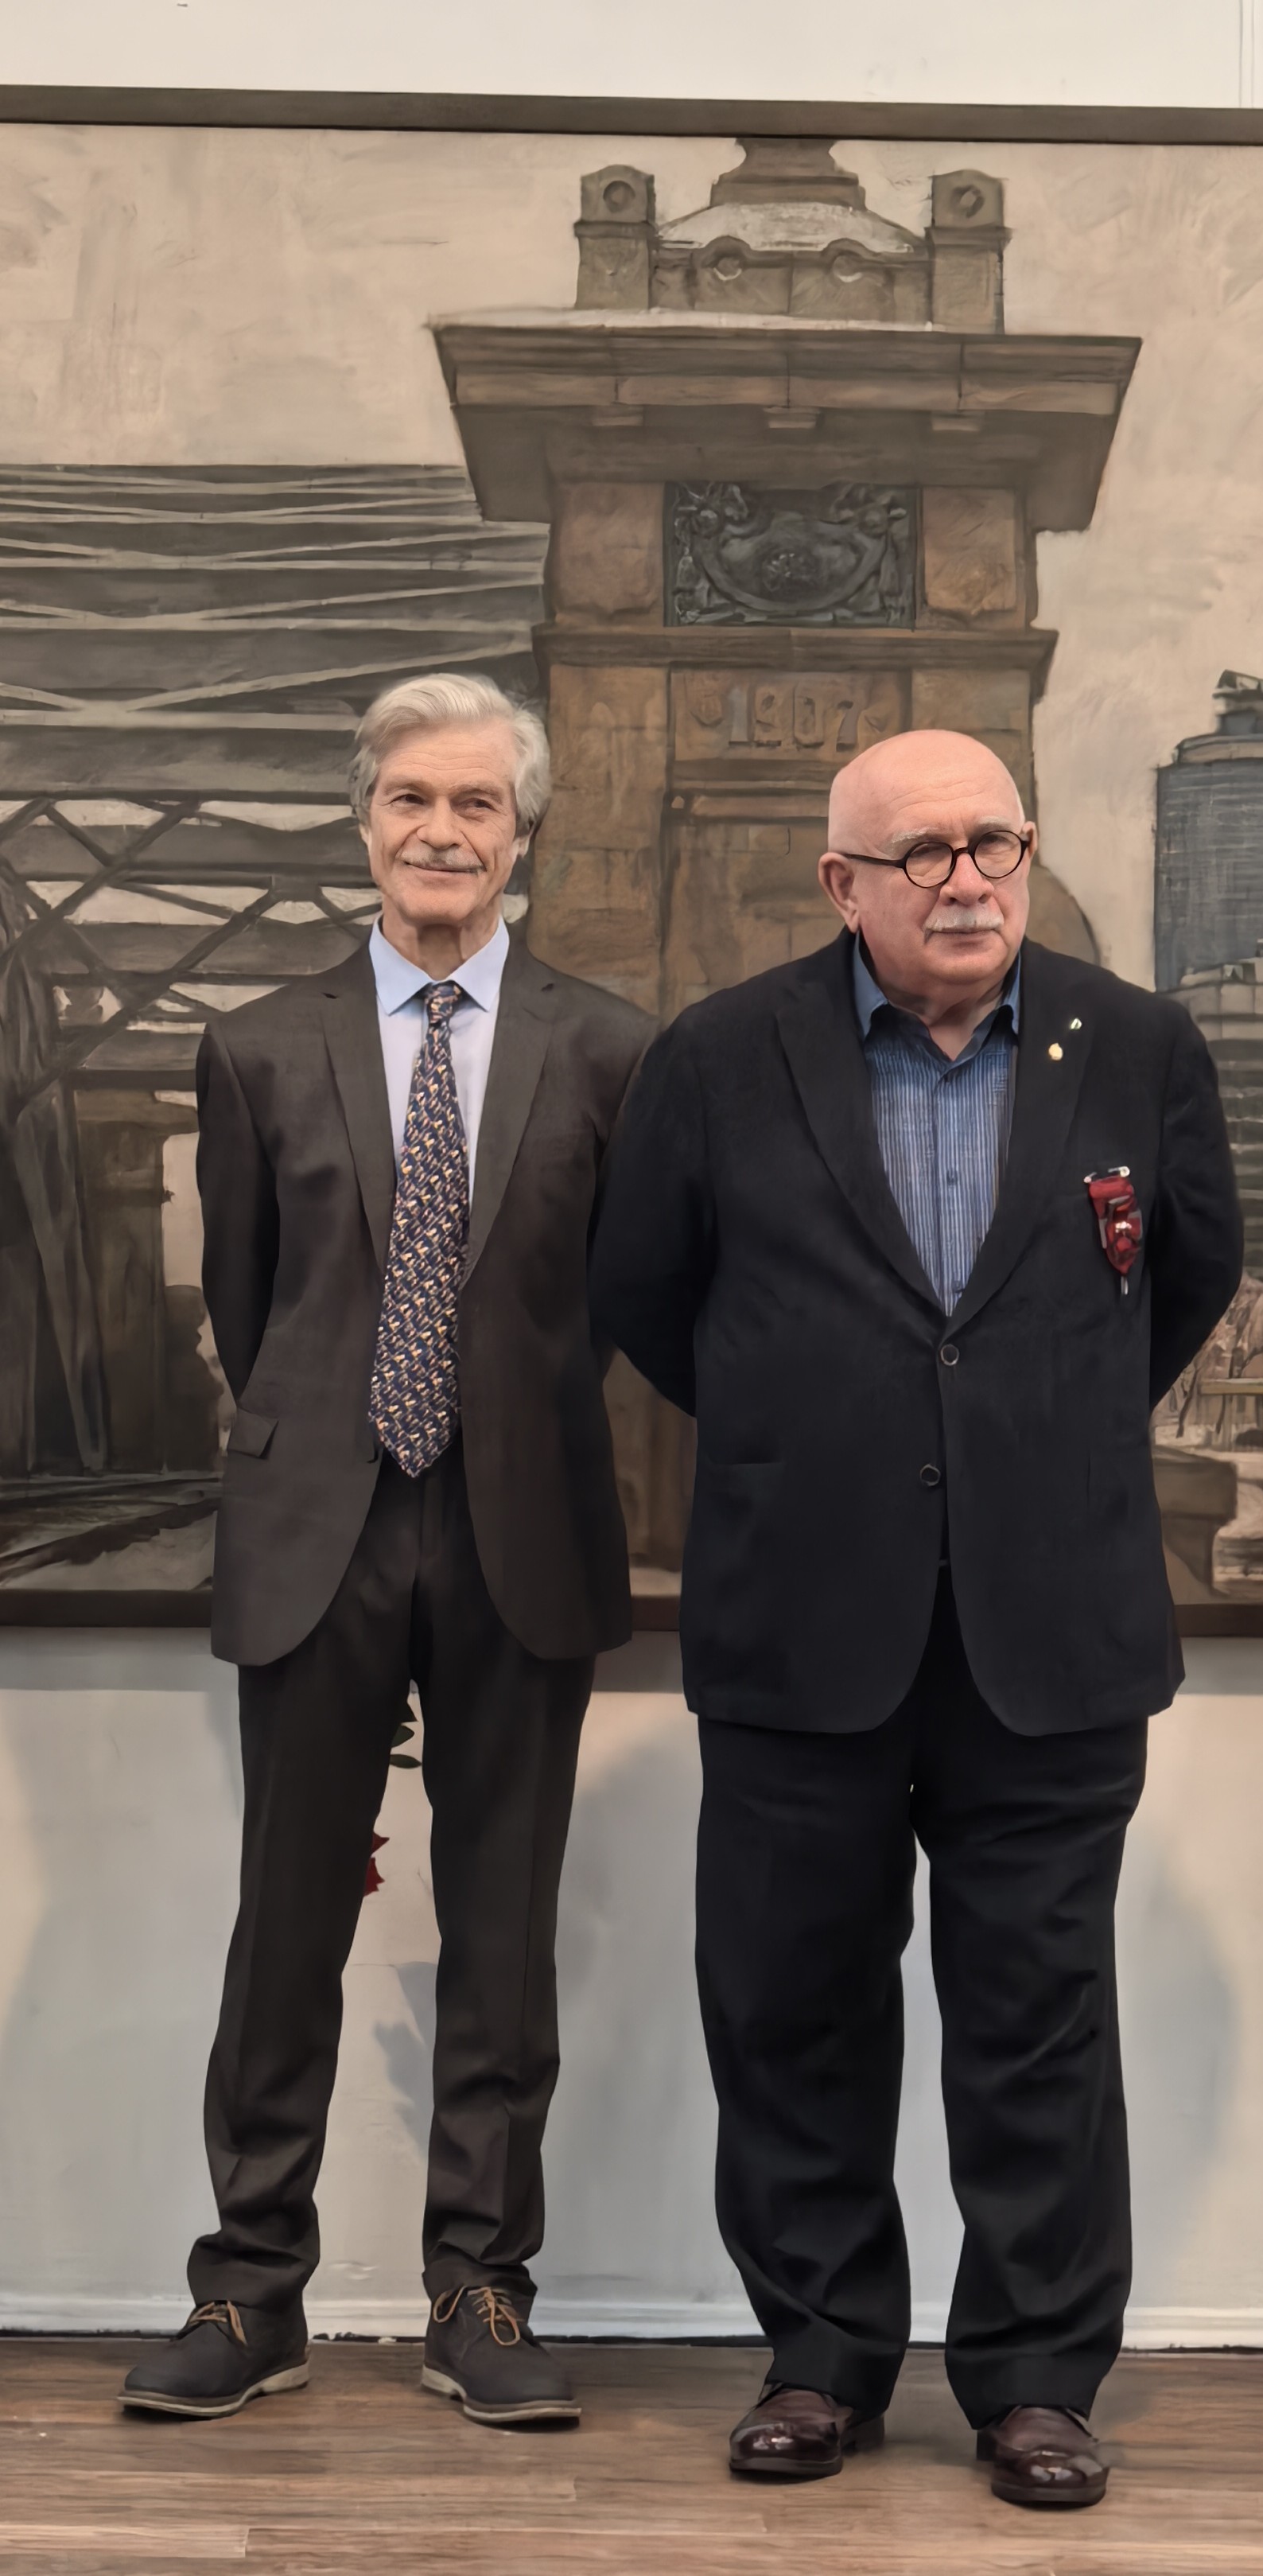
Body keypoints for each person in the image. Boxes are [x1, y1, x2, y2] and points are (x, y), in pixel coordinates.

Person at [589, 727, 1242, 2508]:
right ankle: (820, 2359)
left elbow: (1185, 1275)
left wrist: (1026, 1434)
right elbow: (646, 1292)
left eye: (993, 841)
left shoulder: (1139, 1046)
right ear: (844, 884)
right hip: (800, 1618)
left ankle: (1035, 2381)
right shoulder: (721, 1057)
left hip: (1054, 1626)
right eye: (924, 852)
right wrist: (823, 1433)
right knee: (792, 2006)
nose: (968, 879)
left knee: (1040, 2020)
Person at [122, 673, 650, 2426]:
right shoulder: (259, 1046)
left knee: (503, 1927)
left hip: (525, 1526)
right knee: (287, 1921)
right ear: (364, 821)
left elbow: (614, 1301)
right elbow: (257, 1303)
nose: (441, 830)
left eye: (476, 802)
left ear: (524, 833)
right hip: (319, 1523)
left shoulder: (610, 1048)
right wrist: (350, 1427)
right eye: (410, 797)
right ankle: (248, 2287)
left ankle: (480, 2289)